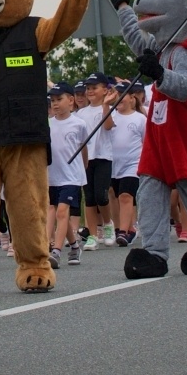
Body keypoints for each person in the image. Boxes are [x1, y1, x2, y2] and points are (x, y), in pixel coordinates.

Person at [46, 85, 86, 269]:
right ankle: (75, 246)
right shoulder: (48, 124)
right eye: (52, 100)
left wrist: (83, 168)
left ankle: (56, 251)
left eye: (59, 99)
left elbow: (83, 148)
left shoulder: (78, 124)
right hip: (52, 176)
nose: (55, 104)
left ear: (70, 100)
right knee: (57, 212)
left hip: (71, 177)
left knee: (62, 212)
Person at [76, 75, 115, 250]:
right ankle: (92, 235)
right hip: (86, 159)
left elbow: (107, 126)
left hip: (103, 157)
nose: (90, 91)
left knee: (101, 195)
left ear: (105, 90)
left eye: (95, 87)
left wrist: (106, 105)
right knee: (89, 198)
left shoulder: (109, 108)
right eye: (88, 88)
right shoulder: (81, 113)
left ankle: (107, 224)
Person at [108, 84, 145, 244]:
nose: (120, 98)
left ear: (132, 98)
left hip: (133, 164)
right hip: (113, 164)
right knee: (114, 196)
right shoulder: (111, 116)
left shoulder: (140, 118)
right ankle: (125, 228)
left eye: (123, 95)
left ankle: (123, 232)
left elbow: (147, 142)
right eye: (117, 94)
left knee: (125, 196)